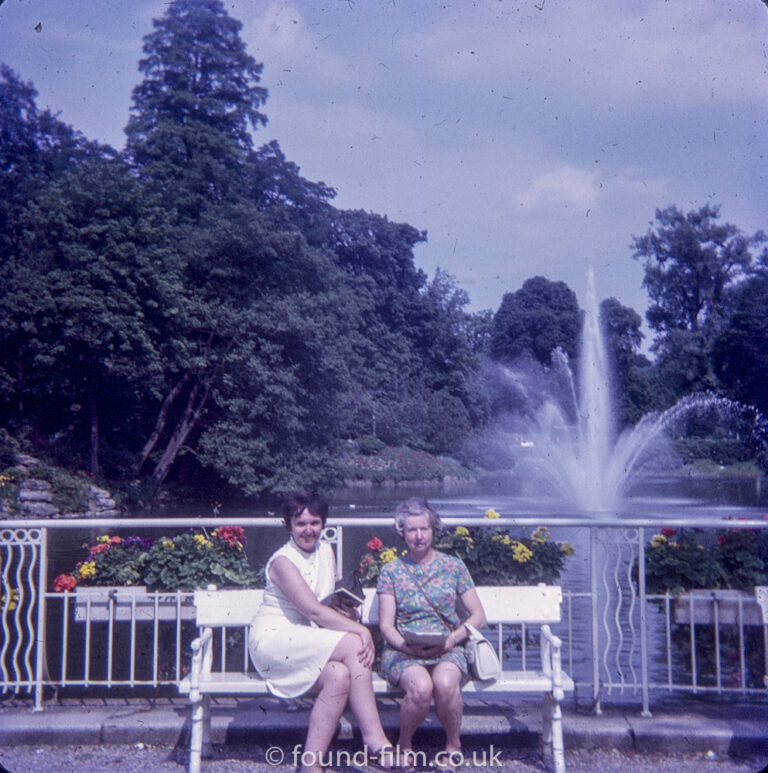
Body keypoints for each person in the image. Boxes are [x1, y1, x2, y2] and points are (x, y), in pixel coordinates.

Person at [249, 492, 394, 773]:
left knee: (339, 676)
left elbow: (330, 605)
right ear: (288, 525)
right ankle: (376, 741)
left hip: (304, 639)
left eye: (315, 522)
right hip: (274, 640)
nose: (308, 529)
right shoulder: (283, 562)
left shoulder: (326, 551)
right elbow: (313, 611)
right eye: (300, 523)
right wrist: (360, 629)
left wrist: (348, 612)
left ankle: (310, 765)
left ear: (322, 523)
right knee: (354, 642)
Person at [376, 498, 488, 772]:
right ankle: (404, 744)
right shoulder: (391, 571)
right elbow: (387, 625)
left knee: (446, 683)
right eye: (411, 530)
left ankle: (453, 746)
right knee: (421, 688)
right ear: (402, 532)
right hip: (404, 649)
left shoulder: (453, 566)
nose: (418, 536)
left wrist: (452, 639)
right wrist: (406, 646)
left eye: (424, 529)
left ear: (433, 529)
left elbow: (478, 616)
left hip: (447, 646)